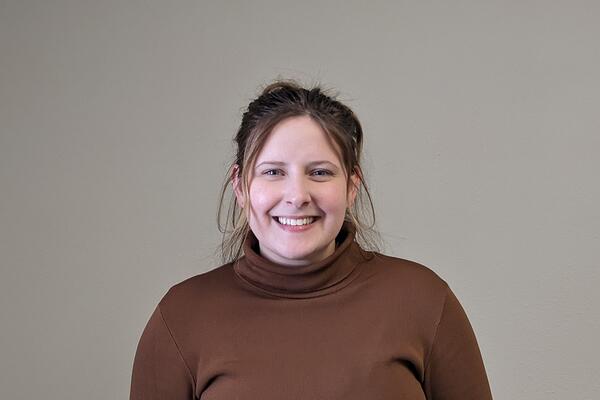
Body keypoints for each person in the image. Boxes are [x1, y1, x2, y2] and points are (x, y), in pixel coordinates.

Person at [129, 80, 493, 399]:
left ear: (351, 186)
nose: (297, 195)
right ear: (240, 186)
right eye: (273, 172)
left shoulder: (424, 301)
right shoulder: (180, 318)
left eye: (319, 172)